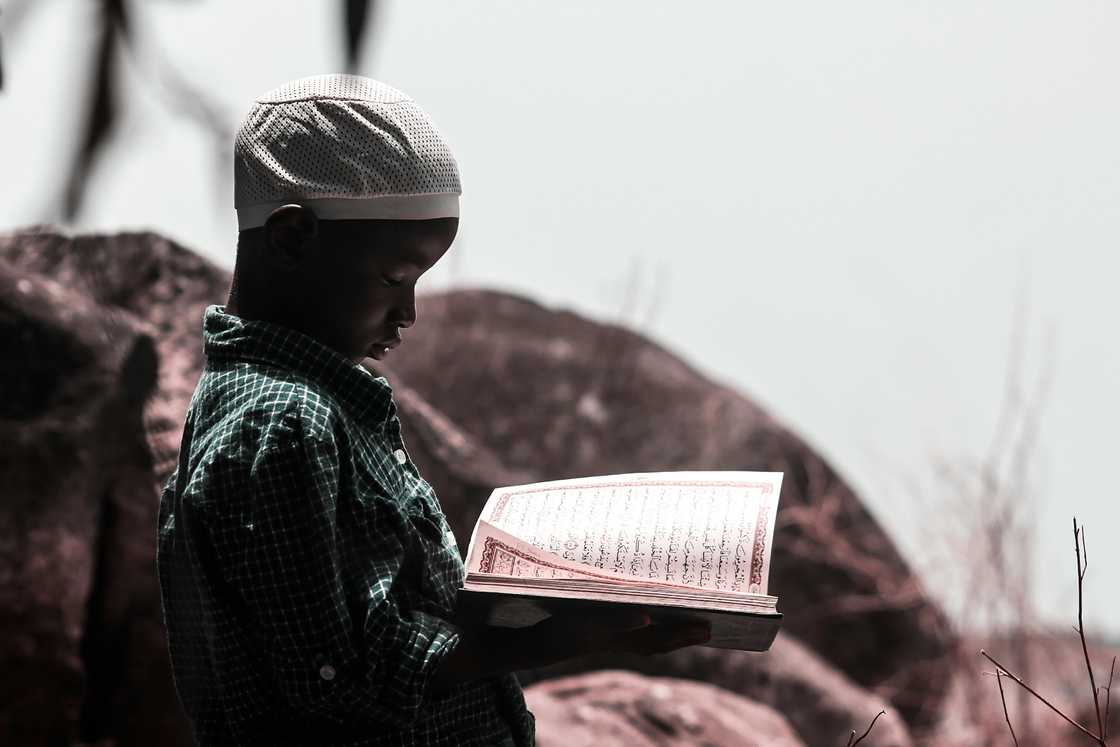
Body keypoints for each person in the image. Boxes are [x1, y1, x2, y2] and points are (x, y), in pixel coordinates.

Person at [156, 73, 710, 747]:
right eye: (395, 277)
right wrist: (564, 633)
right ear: (292, 236)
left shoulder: (284, 409)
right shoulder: (281, 424)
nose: (409, 313)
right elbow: (339, 679)